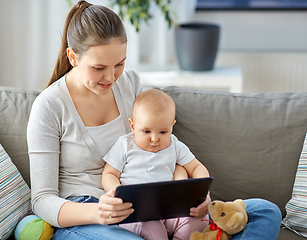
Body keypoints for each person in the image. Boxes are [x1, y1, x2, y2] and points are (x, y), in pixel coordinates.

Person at [27, 1, 282, 240]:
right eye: (98, 68)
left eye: (119, 64)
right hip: (87, 216)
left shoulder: (130, 85)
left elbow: (167, 149)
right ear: (73, 57)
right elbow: (42, 199)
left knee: (264, 211)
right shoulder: (49, 107)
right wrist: (99, 213)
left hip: (151, 206)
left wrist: (194, 192)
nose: (111, 77)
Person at [102, 89, 210, 240]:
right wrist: (117, 194)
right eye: (146, 131)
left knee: (200, 221)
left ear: (172, 126)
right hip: (138, 212)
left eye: (163, 132)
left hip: (170, 210)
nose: (155, 139)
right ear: (132, 126)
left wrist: (201, 191)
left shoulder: (174, 145)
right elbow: (109, 174)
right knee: (153, 230)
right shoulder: (125, 145)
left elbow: (197, 167)